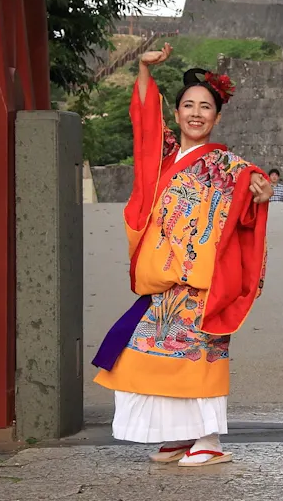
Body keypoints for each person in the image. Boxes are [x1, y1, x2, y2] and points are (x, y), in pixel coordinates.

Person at [92, 43, 273, 467]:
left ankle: (207, 439)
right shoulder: (164, 159)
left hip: (202, 285)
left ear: (217, 117)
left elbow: (246, 208)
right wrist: (142, 71)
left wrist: (261, 198)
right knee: (142, 361)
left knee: (197, 363)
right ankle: (178, 435)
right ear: (175, 115)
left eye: (205, 107)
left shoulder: (232, 169)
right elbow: (143, 127)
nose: (196, 113)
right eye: (187, 105)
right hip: (164, 285)